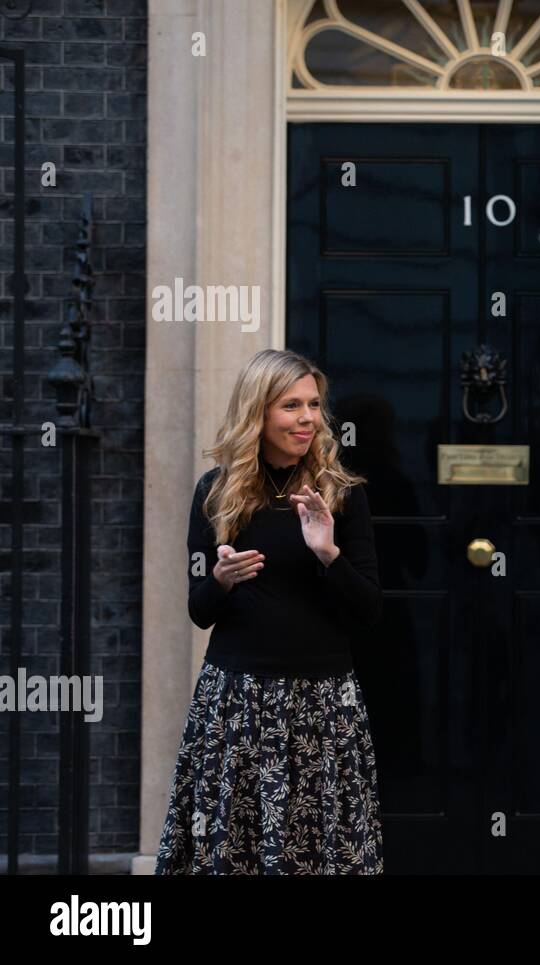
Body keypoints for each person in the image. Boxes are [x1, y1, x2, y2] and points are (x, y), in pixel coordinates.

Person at [156, 349, 385, 874]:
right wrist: (220, 580)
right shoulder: (217, 493)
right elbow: (199, 611)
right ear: (257, 413)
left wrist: (328, 553)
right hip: (238, 701)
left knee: (318, 846)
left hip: (322, 702)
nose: (307, 419)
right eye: (290, 406)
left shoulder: (340, 495)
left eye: (313, 405)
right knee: (237, 845)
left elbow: (369, 608)